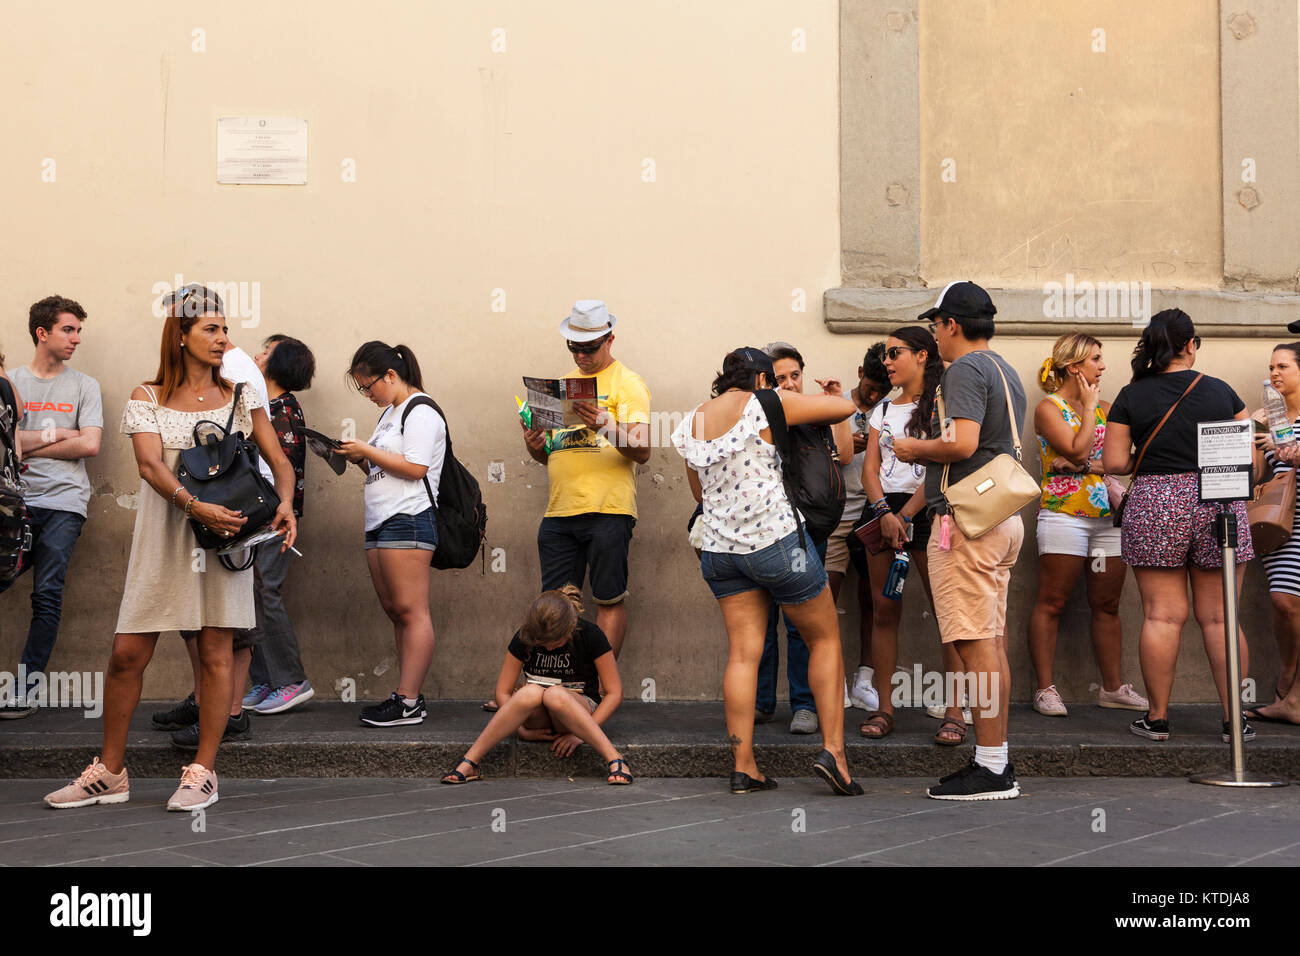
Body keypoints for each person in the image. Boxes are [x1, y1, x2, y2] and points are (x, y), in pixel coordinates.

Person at [43, 284, 297, 810]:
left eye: (226, 329)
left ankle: (203, 771)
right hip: (164, 538)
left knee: (215, 654)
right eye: (210, 329)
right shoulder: (148, 396)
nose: (223, 338)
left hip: (223, 541)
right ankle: (110, 772)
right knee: (126, 654)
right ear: (179, 337)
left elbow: (280, 461)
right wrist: (193, 505)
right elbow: (150, 466)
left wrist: (287, 503)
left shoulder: (242, 396)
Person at [672, 347, 862, 796]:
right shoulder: (766, 402)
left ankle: (744, 767)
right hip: (776, 543)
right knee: (824, 638)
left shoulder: (692, 420)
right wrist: (832, 394)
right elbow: (846, 408)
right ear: (761, 379)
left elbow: (698, 489)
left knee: (743, 653)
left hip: (720, 551)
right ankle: (834, 753)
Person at [893, 281, 1026, 800]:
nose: (934, 336)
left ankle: (992, 769)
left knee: (975, 645)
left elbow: (963, 442)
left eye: (935, 325)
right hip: (999, 518)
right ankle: (994, 761)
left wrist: (913, 447)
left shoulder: (965, 369)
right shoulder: (1003, 368)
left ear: (951, 325)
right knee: (989, 642)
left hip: (966, 522)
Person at [1102, 308, 1253, 743]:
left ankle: (1158, 718)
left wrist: (1144, 460)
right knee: (1222, 618)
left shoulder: (1132, 395)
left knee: (1162, 616)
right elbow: (1248, 458)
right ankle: (1233, 721)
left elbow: (1114, 463)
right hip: (1217, 500)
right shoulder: (1221, 391)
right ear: (1191, 345)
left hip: (1156, 502)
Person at [497, 300, 649, 715]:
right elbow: (550, 453)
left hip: (609, 509)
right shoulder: (558, 386)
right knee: (554, 604)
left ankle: (596, 689)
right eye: (574, 348)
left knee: (607, 599)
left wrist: (605, 422)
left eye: (590, 348)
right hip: (559, 511)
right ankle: (549, 688)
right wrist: (534, 447)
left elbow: (643, 450)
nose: (581, 357)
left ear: (610, 338)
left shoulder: (628, 383)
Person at [858, 326, 969, 745]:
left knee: (948, 616)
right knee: (884, 611)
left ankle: (955, 712)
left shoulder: (943, 404)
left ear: (922, 355)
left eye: (895, 353)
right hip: (884, 512)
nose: (887, 361)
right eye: (885, 355)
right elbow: (870, 469)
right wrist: (885, 512)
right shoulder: (883, 410)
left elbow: (943, 467)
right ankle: (884, 708)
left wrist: (904, 515)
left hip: (930, 512)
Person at [1027, 334, 1147, 717]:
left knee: (1107, 604)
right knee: (1052, 601)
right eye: (1096, 359)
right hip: (1064, 514)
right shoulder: (1049, 409)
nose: (1103, 366)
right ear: (1074, 367)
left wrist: (1085, 466)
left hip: (1107, 517)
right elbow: (1076, 448)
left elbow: (1128, 461)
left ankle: (1112, 688)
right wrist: (1091, 407)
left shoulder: (1111, 408)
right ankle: (1044, 689)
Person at [0, 296, 102, 718]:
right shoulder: (12, 381)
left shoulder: (85, 385)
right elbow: (7, 444)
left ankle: (25, 689)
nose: (76, 338)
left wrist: (27, 441)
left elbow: (90, 443)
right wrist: (57, 434)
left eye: (78, 330)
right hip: (15, 501)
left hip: (64, 503)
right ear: (42, 333)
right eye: (68, 329)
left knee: (47, 594)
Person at [339, 341, 445, 727]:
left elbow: (416, 467)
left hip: (410, 516)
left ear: (390, 375)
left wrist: (365, 449)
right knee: (395, 611)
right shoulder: (390, 414)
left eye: (369, 387)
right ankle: (405, 694)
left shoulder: (421, 410)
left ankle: (409, 700)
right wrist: (359, 459)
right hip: (381, 517)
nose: (368, 395)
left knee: (411, 610)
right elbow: (386, 468)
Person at [756, 342, 853, 734]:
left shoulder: (816, 414)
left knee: (802, 623)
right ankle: (761, 702)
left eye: (795, 375)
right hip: (763, 531)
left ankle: (804, 705)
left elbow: (845, 455)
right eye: (781, 378)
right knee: (760, 621)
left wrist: (834, 401)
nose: (791, 384)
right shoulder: (757, 414)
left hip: (807, 530)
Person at [442, 585, 632, 786]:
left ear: (571, 627)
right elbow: (503, 691)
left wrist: (581, 736)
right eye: (543, 643)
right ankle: (470, 762)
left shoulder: (590, 634)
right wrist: (521, 729)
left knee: (555, 695)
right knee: (529, 692)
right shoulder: (526, 635)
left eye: (555, 643)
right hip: (538, 718)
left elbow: (614, 693)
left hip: (577, 710)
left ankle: (615, 758)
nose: (549, 647)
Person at [240, 335, 316, 714]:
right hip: (261, 517)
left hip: (272, 516)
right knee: (252, 597)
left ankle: (290, 680)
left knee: (265, 592)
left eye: (265, 351)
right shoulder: (267, 406)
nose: (256, 355)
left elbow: (277, 470)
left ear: (278, 362)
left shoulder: (281, 409)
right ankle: (266, 680)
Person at [1244, 343, 1300, 726]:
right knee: (1284, 603)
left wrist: (1294, 453)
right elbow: (1256, 477)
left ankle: (1292, 696)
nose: (1275, 373)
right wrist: (1253, 433)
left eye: (1283, 366)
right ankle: (1289, 677)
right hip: (1282, 520)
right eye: (1271, 367)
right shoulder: (1273, 416)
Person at [836, 345, 892, 713]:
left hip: (878, 510)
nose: (873, 396)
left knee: (874, 599)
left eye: (881, 390)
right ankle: (833, 681)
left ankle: (865, 680)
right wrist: (842, 445)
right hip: (839, 510)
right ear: (859, 372)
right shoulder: (834, 405)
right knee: (826, 597)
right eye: (869, 387)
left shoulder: (893, 410)